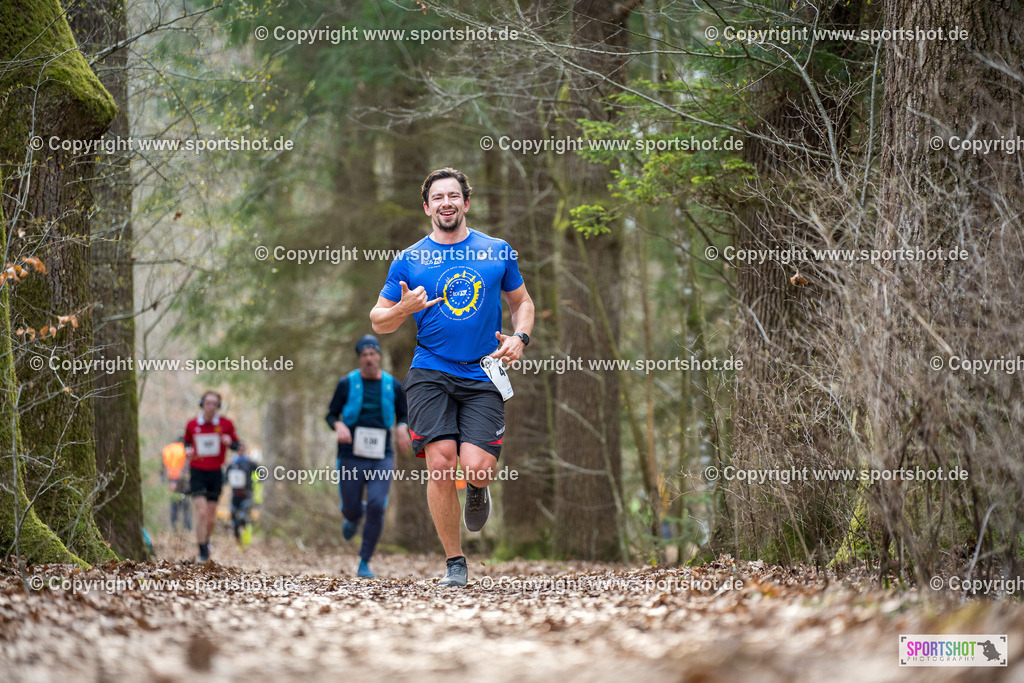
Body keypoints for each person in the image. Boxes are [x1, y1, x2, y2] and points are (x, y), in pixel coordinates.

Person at [370, 167, 534, 587]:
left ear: (466, 202)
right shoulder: (410, 259)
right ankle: (455, 564)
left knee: (476, 466)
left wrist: (521, 338)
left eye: (453, 196)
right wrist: (402, 310)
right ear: (427, 207)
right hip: (431, 370)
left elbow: (522, 303)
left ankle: (478, 487)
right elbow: (378, 321)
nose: (446, 203)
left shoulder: (497, 250)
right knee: (441, 463)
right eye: (438, 197)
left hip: (483, 371)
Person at [326, 334, 412, 578]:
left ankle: (364, 562)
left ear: (379, 356)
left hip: (381, 454)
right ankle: (352, 515)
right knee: (351, 510)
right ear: (359, 358)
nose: (369, 358)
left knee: (377, 505)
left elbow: (404, 414)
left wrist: (402, 427)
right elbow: (330, 414)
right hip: (350, 453)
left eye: (373, 354)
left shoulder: (393, 385)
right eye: (364, 355)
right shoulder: (347, 383)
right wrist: (338, 426)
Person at [183, 390, 240, 562]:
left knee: (210, 517)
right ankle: (202, 552)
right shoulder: (193, 424)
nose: (211, 407)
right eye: (208, 403)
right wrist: (187, 450)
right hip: (197, 471)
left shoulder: (226, 424)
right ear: (202, 404)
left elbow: (237, 445)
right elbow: (185, 442)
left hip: (216, 473)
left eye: (215, 404)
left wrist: (230, 442)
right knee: (200, 513)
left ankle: (206, 541)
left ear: (218, 406)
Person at [225, 444, 258, 544]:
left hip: (247, 493)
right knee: (234, 520)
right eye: (238, 449)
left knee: (243, 518)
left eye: (242, 449)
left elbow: (261, 473)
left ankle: (247, 541)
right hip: (235, 495)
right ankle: (238, 540)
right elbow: (225, 477)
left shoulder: (250, 463)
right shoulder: (232, 464)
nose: (240, 451)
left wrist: (256, 482)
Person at [161, 441, 192, 531]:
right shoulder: (183, 452)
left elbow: (163, 468)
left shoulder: (169, 450)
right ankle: (186, 528)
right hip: (184, 484)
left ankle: (175, 527)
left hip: (173, 483)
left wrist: (167, 481)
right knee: (185, 506)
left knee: (175, 506)